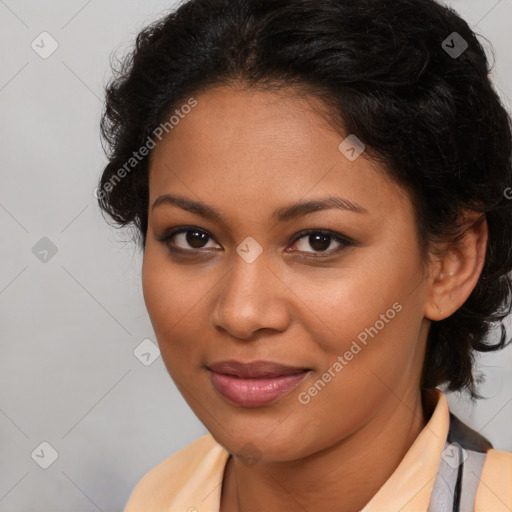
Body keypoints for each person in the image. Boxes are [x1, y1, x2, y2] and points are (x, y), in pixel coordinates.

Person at [97, 0, 512, 510]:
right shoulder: (160, 496)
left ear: (450, 263)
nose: (242, 313)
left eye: (319, 241)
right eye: (194, 237)